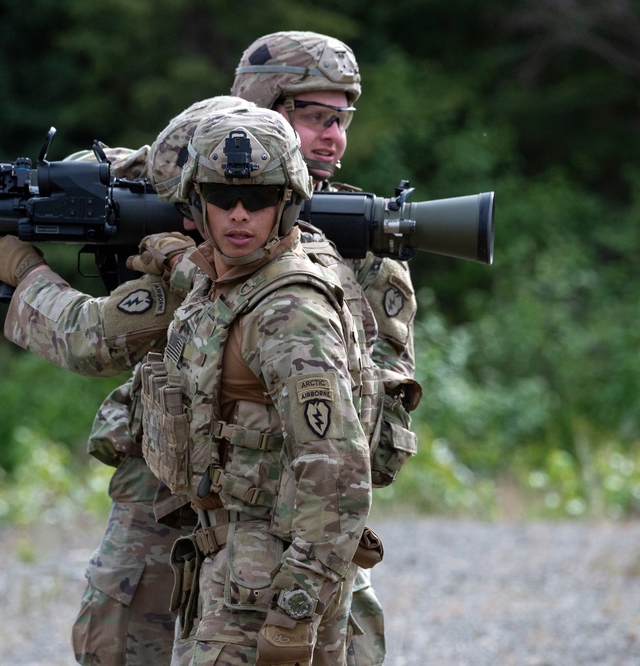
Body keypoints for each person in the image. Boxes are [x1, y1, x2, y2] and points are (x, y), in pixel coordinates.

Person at [0, 96, 254, 665]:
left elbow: (88, 336)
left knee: (124, 636)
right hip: (216, 493)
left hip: (179, 496)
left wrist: (26, 271)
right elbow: (122, 165)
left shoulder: (204, 274)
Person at [138, 104, 372, 665]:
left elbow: (337, 469)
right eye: (221, 197)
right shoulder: (230, 282)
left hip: (269, 582)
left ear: (287, 204)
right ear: (196, 205)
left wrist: (294, 611)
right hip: (231, 564)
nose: (239, 215)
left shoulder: (291, 312)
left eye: (260, 199)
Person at [230, 32, 422, 666]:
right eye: (313, 117)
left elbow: (378, 427)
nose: (332, 136)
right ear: (260, 109)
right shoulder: (196, 213)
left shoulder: (365, 242)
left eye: (340, 119)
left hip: (309, 508)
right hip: (190, 502)